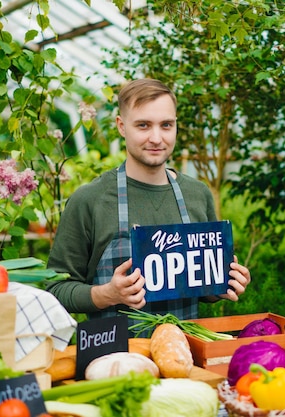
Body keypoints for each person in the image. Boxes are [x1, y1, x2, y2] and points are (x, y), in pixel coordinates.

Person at [46, 78, 251, 327]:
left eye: (166, 125)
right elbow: (55, 289)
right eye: (143, 125)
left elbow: (201, 290)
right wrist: (106, 294)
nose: (156, 138)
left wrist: (221, 283)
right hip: (114, 359)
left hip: (183, 355)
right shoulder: (90, 200)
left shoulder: (197, 194)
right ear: (122, 126)